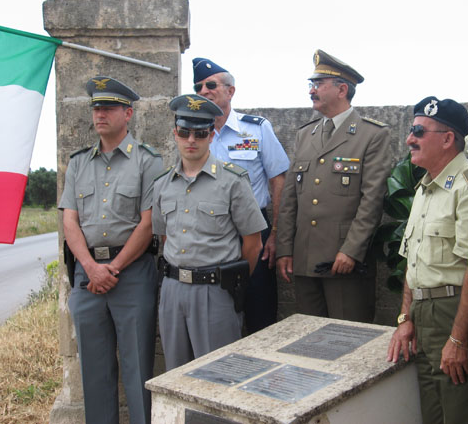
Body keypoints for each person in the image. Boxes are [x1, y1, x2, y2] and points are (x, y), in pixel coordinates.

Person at [59, 76, 163, 424]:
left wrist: (113, 268)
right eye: (96, 107)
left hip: (131, 275)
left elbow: (148, 223)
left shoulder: (147, 161)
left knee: (138, 367)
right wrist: (91, 268)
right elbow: (69, 222)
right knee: (94, 367)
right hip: (87, 277)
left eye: (108, 107)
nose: (99, 114)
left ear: (128, 113)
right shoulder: (78, 163)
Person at [386, 96, 468, 424]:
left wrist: (458, 339)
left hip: (453, 312)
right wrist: (405, 320)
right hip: (423, 314)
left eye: (418, 131)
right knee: (432, 414)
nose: (409, 139)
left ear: (447, 139)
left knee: (460, 411)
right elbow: (412, 265)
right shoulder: (425, 188)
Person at [276, 49, 392, 322]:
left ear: (342, 89)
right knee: (308, 338)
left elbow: (371, 200)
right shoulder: (306, 134)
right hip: (304, 259)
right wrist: (285, 249)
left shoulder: (371, 134)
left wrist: (351, 250)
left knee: (347, 339)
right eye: (311, 85)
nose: (311, 91)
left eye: (318, 85)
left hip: (344, 261)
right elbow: (291, 197)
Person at [152, 94, 266, 370]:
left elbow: (253, 244)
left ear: (212, 135)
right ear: (175, 133)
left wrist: (229, 284)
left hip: (215, 291)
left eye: (200, 133)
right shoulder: (162, 185)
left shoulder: (233, 181)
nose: (191, 140)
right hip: (172, 290)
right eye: (185, 132)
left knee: (219, 374)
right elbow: (164, 238)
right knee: (175, 375)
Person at [191, 58, 289, 334]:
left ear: (230, 91)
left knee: (261, 316)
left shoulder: (256, 129)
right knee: (216, 317)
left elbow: (278, 181)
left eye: (211, 85)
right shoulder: (195, 135)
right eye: (198, 87)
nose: (204, 91)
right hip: (211, 234)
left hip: (254, 231)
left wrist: (276, 234)